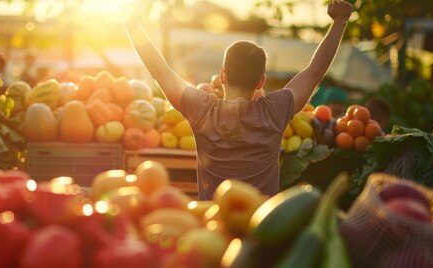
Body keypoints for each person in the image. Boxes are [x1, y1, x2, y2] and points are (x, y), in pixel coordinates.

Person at [124, 0, 353, 200]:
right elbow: (315, 71)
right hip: (261, 226)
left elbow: (160, 71)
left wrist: (132, 26)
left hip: (214, 223)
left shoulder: (201, 109)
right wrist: (339, 22)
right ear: (261, 82)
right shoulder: (276, 110)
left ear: (222, 75)